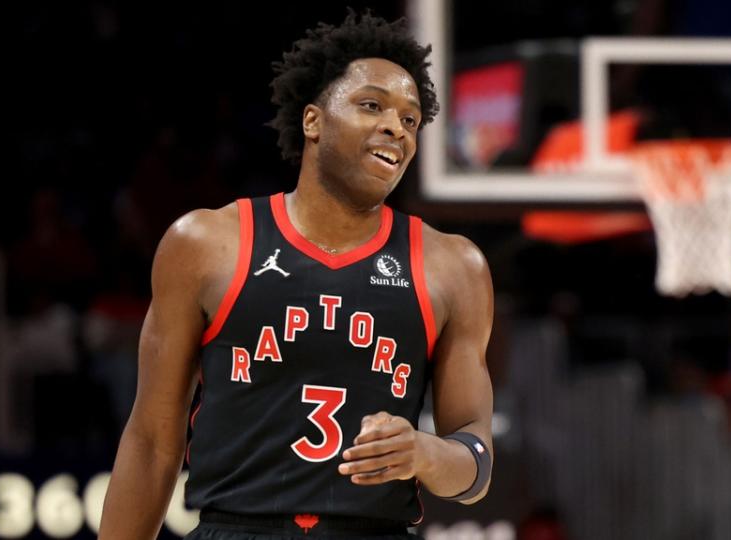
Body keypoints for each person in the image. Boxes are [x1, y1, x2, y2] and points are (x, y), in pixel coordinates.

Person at [99, 11, 495, 540]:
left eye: (409, 119)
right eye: (372, 105)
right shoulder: (207, 243)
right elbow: (151, 442)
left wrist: (425, 453)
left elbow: (475, 461)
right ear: (313, 121)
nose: (394, 127)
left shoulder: (454, 266)